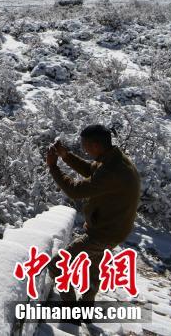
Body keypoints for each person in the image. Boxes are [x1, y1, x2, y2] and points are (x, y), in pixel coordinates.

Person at [45, 124, 141, 305]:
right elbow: (92, 170)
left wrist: (53, 168)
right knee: (93, 269)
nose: (83, 148)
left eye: (84, 144)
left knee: (57, 265)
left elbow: (75, 190)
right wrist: (66, 156)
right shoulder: (114, 159)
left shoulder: (113, 171)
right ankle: (86, 307)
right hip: (114, 229)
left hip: (103, 234)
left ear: (95, 145)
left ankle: (71, 309)